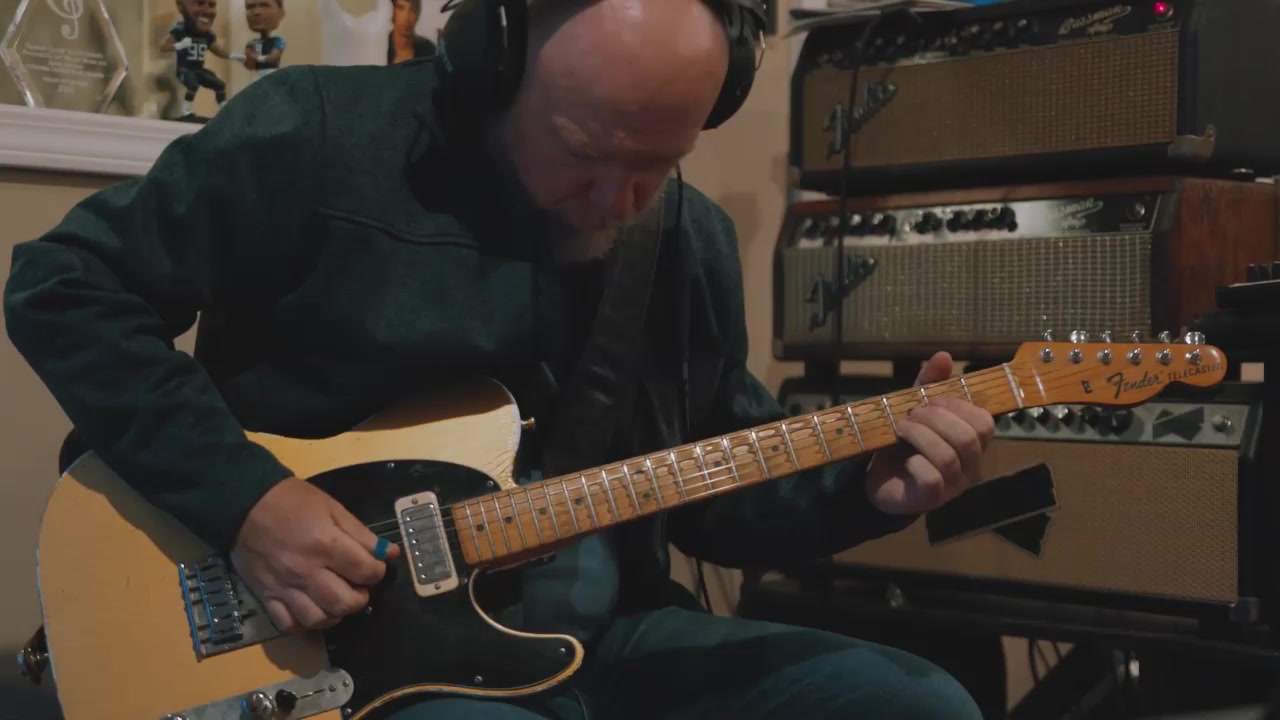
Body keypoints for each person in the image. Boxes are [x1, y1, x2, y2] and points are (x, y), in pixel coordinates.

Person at [3, 1, 993, 718]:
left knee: (917, 702)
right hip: (336, 646)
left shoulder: (683, 238)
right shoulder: (314, 136)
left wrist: (866, 491)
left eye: (658, 164)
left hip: (601, 633)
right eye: (583, 150)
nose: (619, 202)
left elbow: (713, 488)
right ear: (493, 61)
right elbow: (65, 285)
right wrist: (247, 501)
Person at [162, 0, 232, 121]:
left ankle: (224, 111)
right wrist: (181, 45)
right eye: (199, 3)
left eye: (211, 5)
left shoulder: (207, 35)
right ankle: (186, 111)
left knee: (219, 84)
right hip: (185, 70)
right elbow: (164, 47)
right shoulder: (179, 31)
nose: (206, 10)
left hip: (198, 70)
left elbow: (217, 49)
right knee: (192, 85)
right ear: (181, 6)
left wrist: (234, 56)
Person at [242, 0, 287, 79]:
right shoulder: (252, 43)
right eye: (250, 7)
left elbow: (273, 58)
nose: (256, 12)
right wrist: (247, 59)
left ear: (281, 13)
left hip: (272, 75)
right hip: (258, 77)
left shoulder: (278, 41)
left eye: (264, 6)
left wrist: (257, 57)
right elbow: (249, 66)